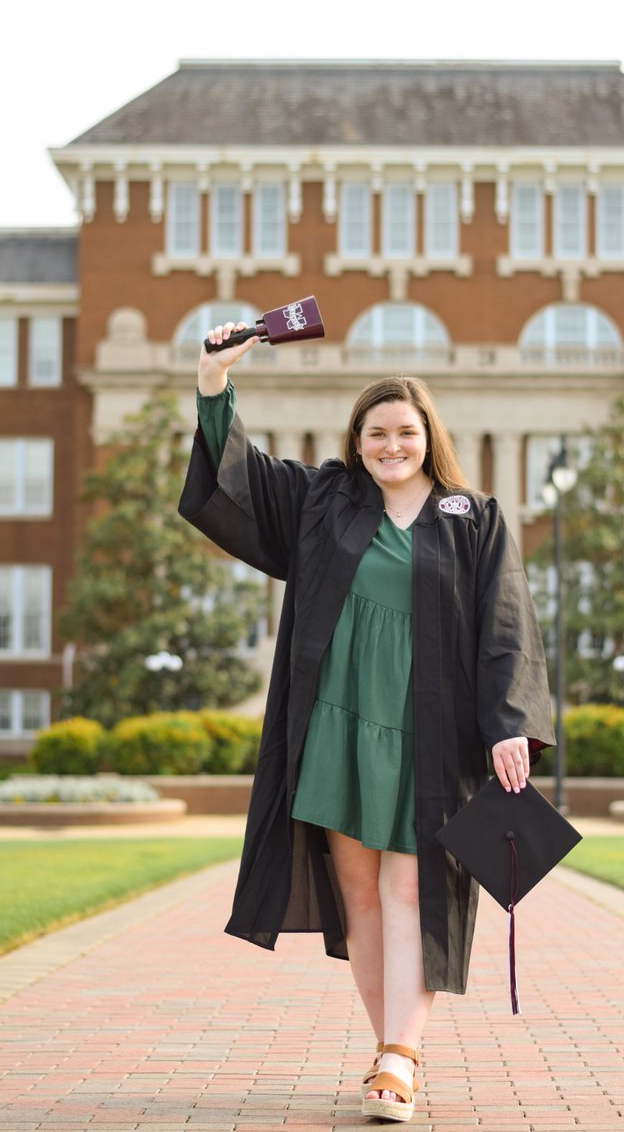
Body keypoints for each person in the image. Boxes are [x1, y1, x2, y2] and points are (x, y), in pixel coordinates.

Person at [179, 321, 555, 1123]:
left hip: (431, 729)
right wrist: (214, 383)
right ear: (358, 441)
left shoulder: (472, 518)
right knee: (359, 898)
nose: (392, 445)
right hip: (339, 723)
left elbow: (508, 625)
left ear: (428, 439)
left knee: (411, 884)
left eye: (406, 432)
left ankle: (399, 1057)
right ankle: (392, 1047)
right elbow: (240, 480)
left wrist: (510, 722)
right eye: (376, 433)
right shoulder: (325, 501)